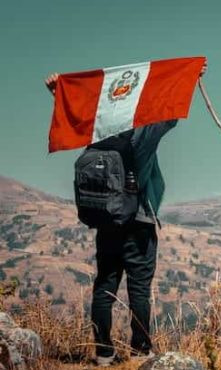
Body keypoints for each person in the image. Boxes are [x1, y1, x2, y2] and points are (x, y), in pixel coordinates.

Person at [45, 61, 207, 366]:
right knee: (139, 290)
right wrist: (190, 76)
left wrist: (58, 91)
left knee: (104, 287)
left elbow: (75, 113)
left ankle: (103, 352)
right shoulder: (142, 135)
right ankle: (140, 350)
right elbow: (170, 114)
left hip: (107, 222)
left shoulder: (98, 133)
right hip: (139, 222)